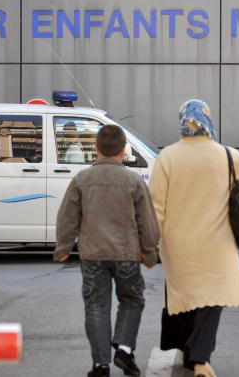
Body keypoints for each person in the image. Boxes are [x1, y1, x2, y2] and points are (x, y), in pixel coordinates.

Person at [148, 99, 239, 377]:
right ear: (209, 121)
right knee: (212, 300)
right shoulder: (227, 155)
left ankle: (187, 352)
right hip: (216, 243)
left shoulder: (168, 157)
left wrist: (149, 243)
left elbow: (155, 207)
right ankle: (200, 360)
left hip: (177, 244)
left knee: (185, 297)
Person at [54, 124, 160, 377]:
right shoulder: (134, 180)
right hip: (127, 254)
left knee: (96, 306)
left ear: (95, 149)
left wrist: (63, 248)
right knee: (132, 299)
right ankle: (124, 348)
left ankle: (100, 365)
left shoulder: (81, 180)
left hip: (93, 254)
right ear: (123, 151)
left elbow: (67, 218)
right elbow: (146, 220)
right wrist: (149, 251)